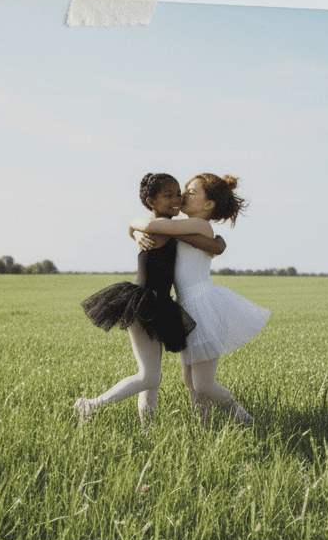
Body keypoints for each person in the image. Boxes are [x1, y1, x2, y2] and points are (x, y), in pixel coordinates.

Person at [76, 174, 226, 427]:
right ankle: (90, 405)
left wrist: (134, 229)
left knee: (152, 379)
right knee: (148, 377)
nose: (177, 199)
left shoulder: (162, 225)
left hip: (158, 303)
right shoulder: (160, 226)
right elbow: (204, 242)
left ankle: (147, 430)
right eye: (169, 195)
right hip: (145, 303)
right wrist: (217, 243)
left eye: (178, 194)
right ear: (151, 201)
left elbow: (146, 226)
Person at [131, 173, 269, 424]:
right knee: (190, 380)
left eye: (192, 192)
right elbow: (154, 228)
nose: (184, 195)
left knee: (204, 384)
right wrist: (135, 233)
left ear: (208, 205)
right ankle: (203, 426)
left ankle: (248, 421)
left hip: (202, 305)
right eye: (184, 189)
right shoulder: (182, 225)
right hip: (186, 307)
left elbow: (151, 226)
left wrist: (134, 226)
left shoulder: (199, 226)